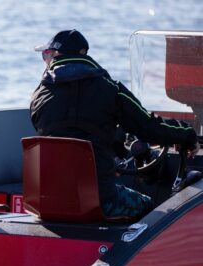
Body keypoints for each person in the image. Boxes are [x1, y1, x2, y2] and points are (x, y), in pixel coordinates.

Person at [30, 29, 200, 219]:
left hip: (48, 201)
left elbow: (64, 132)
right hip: (100, 201)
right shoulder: (110, 89)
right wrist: (187, 133)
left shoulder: (39, 96)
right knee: (150, 210)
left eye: (46, 55)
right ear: (83, 54)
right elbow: (149, 128)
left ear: (57, 56)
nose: (46, 61)